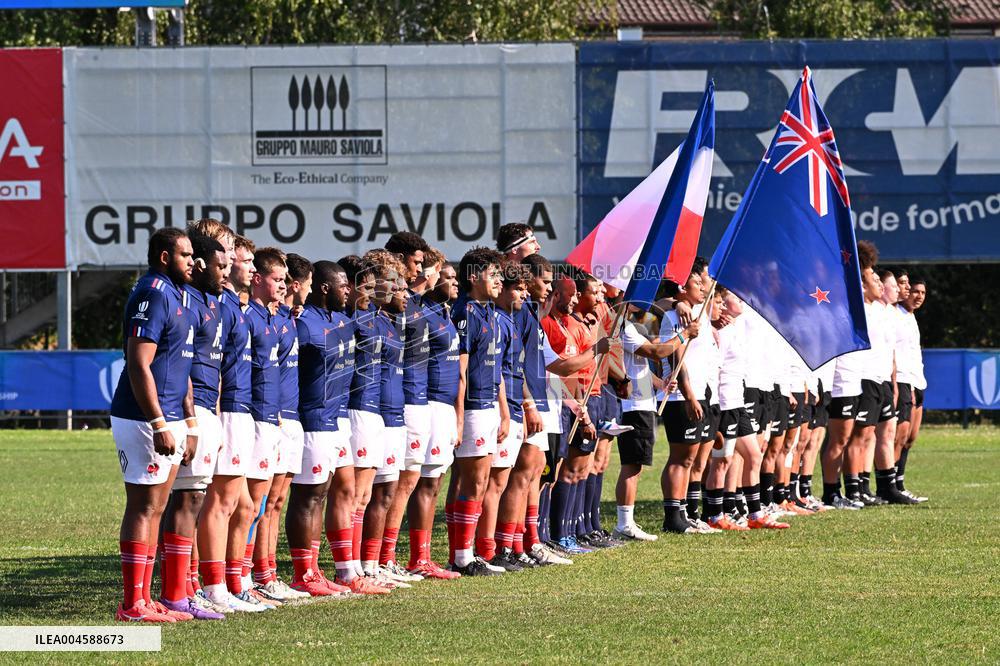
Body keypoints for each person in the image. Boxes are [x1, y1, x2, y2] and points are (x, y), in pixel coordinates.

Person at [111, 227, 197, 622]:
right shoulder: (153, 292)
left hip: (171, 417)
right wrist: (158, 421)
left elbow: (179, 366)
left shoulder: (179, 295)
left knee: (158, 507)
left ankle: (144, 599)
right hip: (144, 416)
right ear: (165, 257)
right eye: (185, 255)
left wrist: (188, 422)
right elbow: (138, 362)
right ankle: (132, 604)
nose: (192, 262)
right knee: (143, 506)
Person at [157, 231, 230, 620]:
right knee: (183, 500)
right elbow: (179, 364)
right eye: (220, 265)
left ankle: (186, 588)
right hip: (189, 409)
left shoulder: (215, 301)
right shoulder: (183, 299)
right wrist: (191, 420)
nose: (225, 272)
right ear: (199, 264)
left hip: (206, 410)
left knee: (193, 498)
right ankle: (177, 591)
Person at [253, 253, 314, 602]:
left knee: (277, 501)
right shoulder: (270, 319)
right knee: (263, 502)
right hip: (273, 416)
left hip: (291, 417)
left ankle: (270, 572)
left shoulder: (290, 319)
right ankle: (257, 574)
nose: (307, 290)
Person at [446, 246, 509, 576]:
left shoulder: (489, 313)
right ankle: (462, 557)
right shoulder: (465, 313)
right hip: (471, 408)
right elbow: (460, 371)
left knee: (480, 481)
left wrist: (503, 411)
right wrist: (459, 417)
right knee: (473, 482)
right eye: (493, 274)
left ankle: (466, 554)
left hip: (488, 407)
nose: (499, 280)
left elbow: (495, 369)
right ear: (473, 277)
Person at [614, 299, 699, 539]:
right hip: (633, 405)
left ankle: (626, 522)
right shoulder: (621, 327)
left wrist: (661, 384)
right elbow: (655, 352)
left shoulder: (629, 325)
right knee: (631, 465)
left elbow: (640, 365)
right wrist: (684, 335)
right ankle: (624, 524)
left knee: (636, 465)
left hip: (642, 403)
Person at [378, 232, 435, 584]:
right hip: (396, 402)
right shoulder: (389, 303)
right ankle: (380, 559)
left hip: (411, 401)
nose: (420, 270)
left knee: (405, 480)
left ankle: (385, 557)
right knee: (394, 483)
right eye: (416, 262)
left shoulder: (412, 303)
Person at [339, 255, 394, 593]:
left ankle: (361, 566)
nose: (372, 293)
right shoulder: (348, 318)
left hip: (374, 411)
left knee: (364, 495)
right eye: (367, 287)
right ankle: (348, 569)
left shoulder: (374, 317)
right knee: (354, 495)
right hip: (355, 408)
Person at [238, 247, 288, 611]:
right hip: (253, 417)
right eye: (277, 279)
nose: (283, 286)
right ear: (257, 279)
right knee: (248, 505)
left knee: (258, 505)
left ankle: (248, 577)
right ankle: (239, 578)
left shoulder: (270, 317)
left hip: (270, 418)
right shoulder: (250, 317)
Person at [407, 253, 462, 579]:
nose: (454, 282)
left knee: (435, 480)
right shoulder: (422, 313)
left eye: (455, 277)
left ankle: (423, 556)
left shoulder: (444, 313)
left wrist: (457, 414)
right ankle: (416, 558)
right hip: (427, 403)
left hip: (444, 407)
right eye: (447, 277)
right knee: (422, 481)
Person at [656, 259, 721, 534]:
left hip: (700, 393)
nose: (703, 288)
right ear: (683, 288)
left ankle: (684, 513)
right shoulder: (674, 317)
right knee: (679, 457)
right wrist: (690, 395)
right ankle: (673, 516)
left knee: (690, 459)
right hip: (681, 397)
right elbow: (677, 359)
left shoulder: (699, 313)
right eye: (696, 283)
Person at [894, 275, 929, 502]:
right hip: (903, 380)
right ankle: (890, 486)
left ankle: (900, 483)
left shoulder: (911, 316)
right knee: (899, 436)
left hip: (918, 381)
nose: (919, 296)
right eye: (915, 291)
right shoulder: (895, 314)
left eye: (923, 293)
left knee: (911, 438)